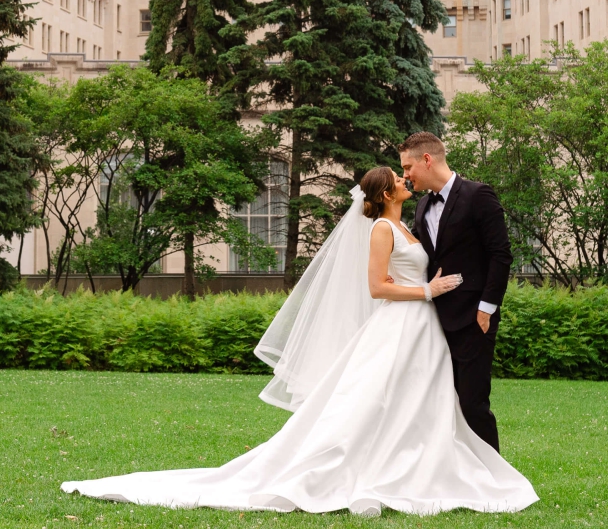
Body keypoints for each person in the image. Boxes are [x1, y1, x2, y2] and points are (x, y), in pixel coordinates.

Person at [60, 166, 537, 516]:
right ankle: (368, 468)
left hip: (422, 330)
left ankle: (424, 464)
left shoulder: (406, 223)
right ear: (386, 191)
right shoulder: (378, 229)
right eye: (399, 176)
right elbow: (376, 287)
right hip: (401, 322)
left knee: (422, 402)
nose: (406, 180)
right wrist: (426, 290)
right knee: (374, 402)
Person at [399, 131, 514, 451]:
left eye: (408, 168)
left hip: (473, 319)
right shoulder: (421, 207)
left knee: (472, 404)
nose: (405, 176)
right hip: (432, 321)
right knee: (436, 402)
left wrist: (486, 307)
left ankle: (492, 479)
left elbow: (500, 254)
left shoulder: (479, 195)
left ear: (427, 159)